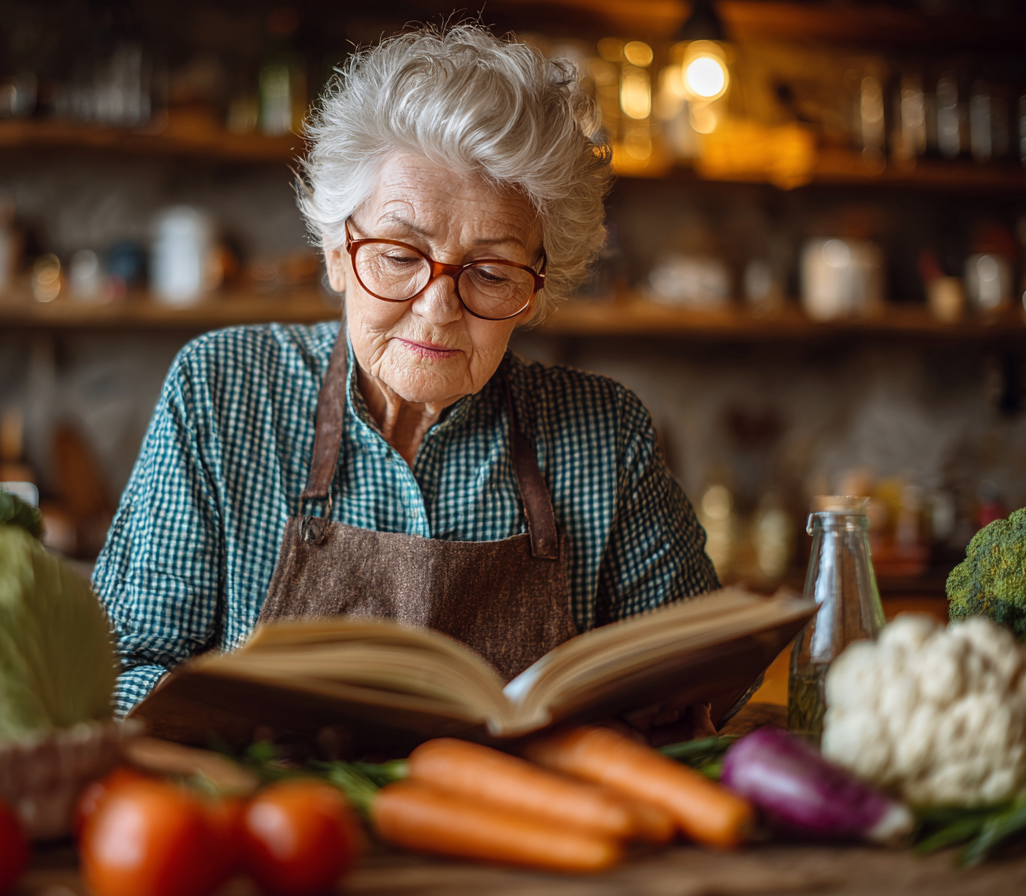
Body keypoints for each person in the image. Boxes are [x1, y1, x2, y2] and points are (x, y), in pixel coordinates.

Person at [94, 25, 720, 741]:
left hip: (518, 839)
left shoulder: (605, 434)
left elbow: (696, 684)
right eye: (399, 255)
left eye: (490, 273)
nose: (437, 307)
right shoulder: (224, 390)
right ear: (336, 251)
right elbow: (122, 667)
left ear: (539, 288)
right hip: (284, 832)